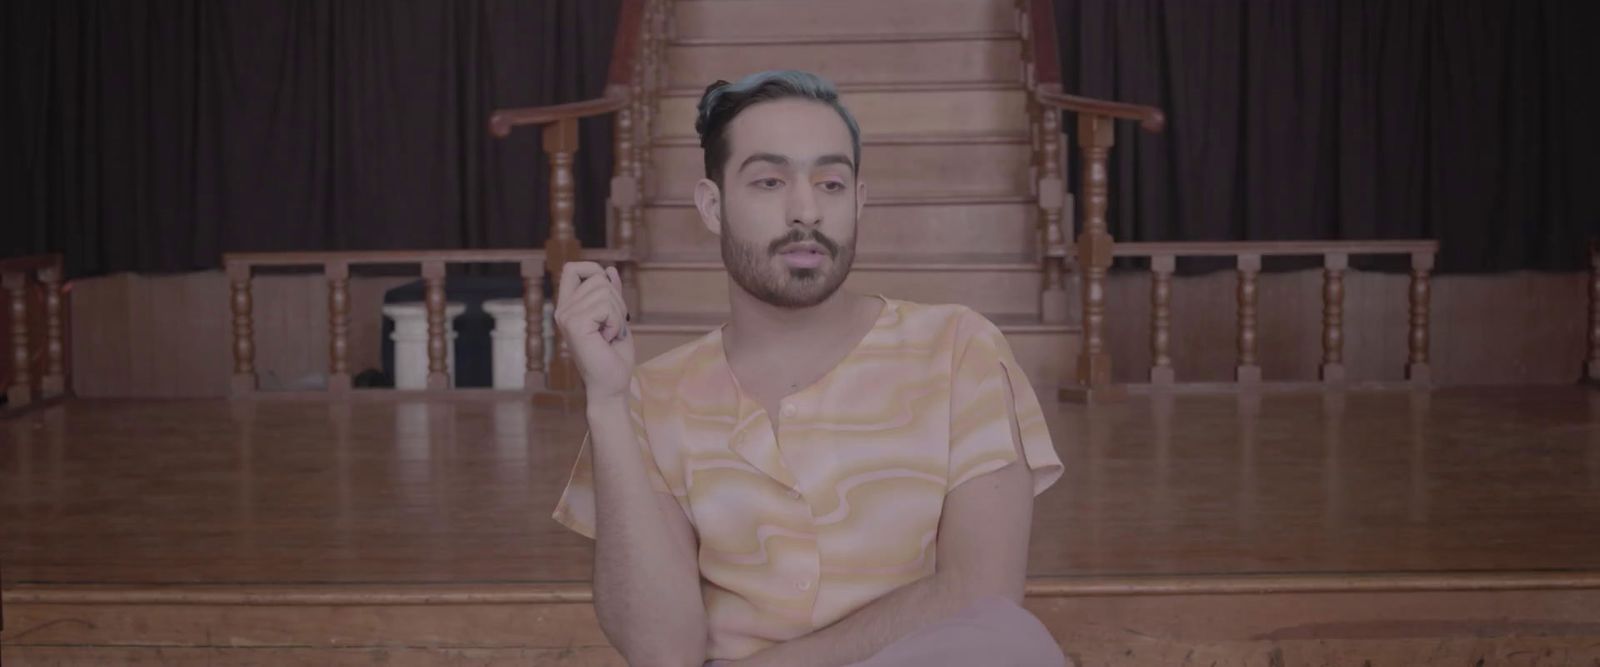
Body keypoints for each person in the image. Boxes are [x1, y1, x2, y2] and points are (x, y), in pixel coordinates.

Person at [552, 70, 1067, 667]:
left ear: (859, 201)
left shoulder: (958, 349)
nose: (807, 210)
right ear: (712, 205)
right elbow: (662, 652)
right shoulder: (652, 397)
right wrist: (608, 403)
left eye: (830, 183)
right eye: (770, 181)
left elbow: (984, 600)